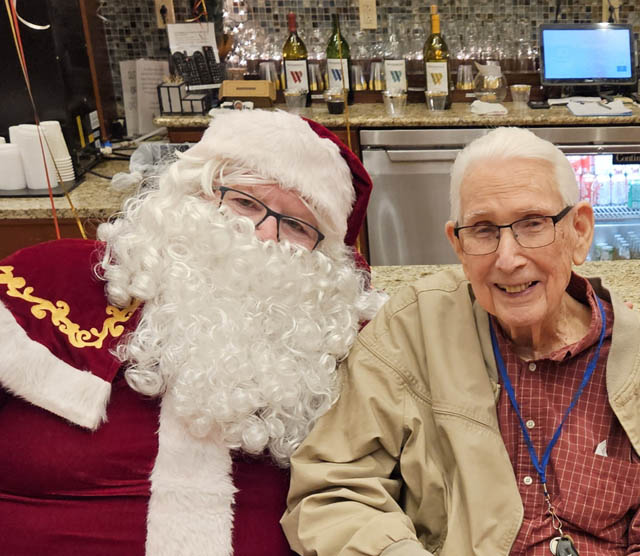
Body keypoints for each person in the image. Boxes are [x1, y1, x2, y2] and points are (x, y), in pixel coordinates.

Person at [0, 109, 386, 555]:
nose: (261, 234)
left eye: (297, 226)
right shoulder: (49, 279)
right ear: (188, 193)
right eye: (243, 202)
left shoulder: (337, 338)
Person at [283, 127, 640, 556]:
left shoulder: (630, 351)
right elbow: (333, 489)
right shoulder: (414, 329)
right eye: (484, 230)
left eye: (533, 224)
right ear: (457, 243)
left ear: (578, 231)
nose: (508, 259)